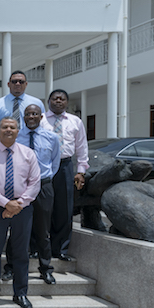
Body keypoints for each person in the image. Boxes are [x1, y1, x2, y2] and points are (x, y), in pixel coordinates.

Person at [0, 117, 41, 308]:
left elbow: (35, 182)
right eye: (4, 127)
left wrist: (18, 204)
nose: (8, 130)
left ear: (17, 131)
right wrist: (6, 204)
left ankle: (20, 293)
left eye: (12, 127)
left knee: (21, 252)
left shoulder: (28, 154)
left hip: (23, 208)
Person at [3, 105, 60, 285]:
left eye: (34, 114)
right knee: (16, 229)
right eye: (27, 114)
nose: (31, 117)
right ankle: (10, 268)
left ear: (41, 116)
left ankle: (45, 269)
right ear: (23, 117)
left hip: (43, 186)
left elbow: (55, 163)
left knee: (43, 229)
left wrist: (41, 180)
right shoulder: (16, 138)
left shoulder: (52, 138)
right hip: (20, 188)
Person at [42, 89, 90, 261]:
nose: (58, 101)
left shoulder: (75, 121)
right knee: (43, 208)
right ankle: (39, 248)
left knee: (64, 208)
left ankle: (60, 249)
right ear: (49, 101)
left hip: (65, 166)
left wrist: (81, 171)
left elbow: (82, 148)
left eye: (62, 99)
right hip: (44, 166)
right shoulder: (40, 120)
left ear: (67, 103)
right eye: (55, 99)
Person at [0, 70, 45, 138]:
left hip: (30, 143)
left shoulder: (37, 103)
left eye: (21, 82)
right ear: (8, 84)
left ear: (26, 84)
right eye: (14, 82)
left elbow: (42, 126)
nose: (18, 84)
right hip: (5, 144)